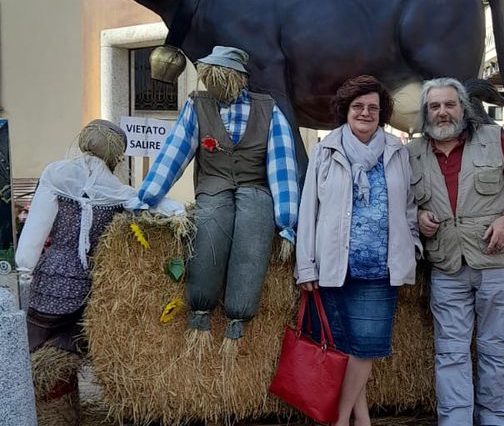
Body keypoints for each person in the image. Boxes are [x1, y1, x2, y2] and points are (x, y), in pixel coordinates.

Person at [295, 75, 422, 426]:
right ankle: (360, 420)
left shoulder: (398, 152)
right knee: (346, 349)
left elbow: (410, 206)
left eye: (372, 107)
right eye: (358, 107)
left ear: (382, 113)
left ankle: (339, 420)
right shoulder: (326, 150)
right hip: (334, 265)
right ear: (346, 111)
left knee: (365, 348)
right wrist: (306, 266)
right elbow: (308, 211)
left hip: (380, 268)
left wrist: (412, 243)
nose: (366, 113)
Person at [136, 46, 299, 342]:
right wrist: (146, 198)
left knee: (253, 239)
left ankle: (238, 317)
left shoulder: (268, 109)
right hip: (214, 188)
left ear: (237, 79)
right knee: (209, 229)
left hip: (255, 188)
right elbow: (175, 154)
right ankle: (200, 313)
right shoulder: (197, 106)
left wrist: (286, 221)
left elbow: (282, 166)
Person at [409, 78, 504, 426]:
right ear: (426, 113)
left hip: (495, 259)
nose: (442, 112)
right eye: (435, 106)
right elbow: (401, 201)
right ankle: (455, 425)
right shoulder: (412, 153)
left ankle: (495, 421)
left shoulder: (493, 138)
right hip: (447, 262)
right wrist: (419, 215)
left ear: (463, 109)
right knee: (450, 349)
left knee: (495, 346)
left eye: (449, 105)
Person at [15, 119, 180, 355]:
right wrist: (181, 213)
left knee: (37, 351)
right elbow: (152, 205)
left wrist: (24, 270)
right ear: (116, 154)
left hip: (52, 281)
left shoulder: (56, 174)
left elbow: (35, 231)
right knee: (76, 351)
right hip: (93, 286)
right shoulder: (116, 189)